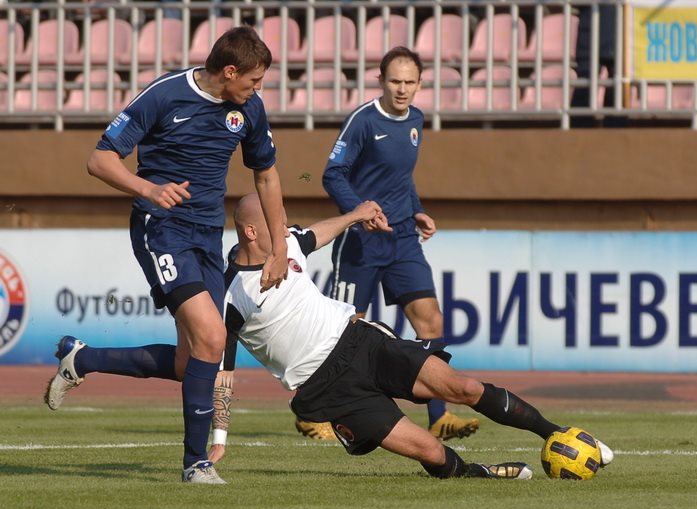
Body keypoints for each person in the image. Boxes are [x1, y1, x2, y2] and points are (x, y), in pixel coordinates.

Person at [207, 194, 615, 479]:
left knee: (465, 387)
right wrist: (220, 438)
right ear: (251, 232)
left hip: (363, 344)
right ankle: (477, 473)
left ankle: (556, 433)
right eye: (275, 222)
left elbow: (315, 233)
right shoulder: (229, 295)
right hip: (328, 389)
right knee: (430, 451)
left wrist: (356, 214)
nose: (284, 228)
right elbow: (223, 374)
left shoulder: (288, 244)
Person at [44, 26, 289, 485]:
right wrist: (149, 189)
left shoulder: (249, 109)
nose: (258, 89)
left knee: (188, 362)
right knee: (213, 337)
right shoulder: (165, 94)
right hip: (162, 229)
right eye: (254, 80)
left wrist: (279, 247)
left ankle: (82, 358)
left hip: (207, 236)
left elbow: (267, 177)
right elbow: (100, 160)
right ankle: (196, 463)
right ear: (229, 71)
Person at [293, 46, 477, 442]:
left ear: (420, 84)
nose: (402, 89)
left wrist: (417, 210)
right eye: (395, 81)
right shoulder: (363, 121)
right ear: (380, 80)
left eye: (410, 82)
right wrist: (359, 213)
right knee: (344, 330)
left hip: (403, 239)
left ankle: (439, 416)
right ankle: (312, 412)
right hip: (361, 241)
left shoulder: (416, 120)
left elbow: (401, 178)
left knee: (431, 321)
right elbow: (332, 174)